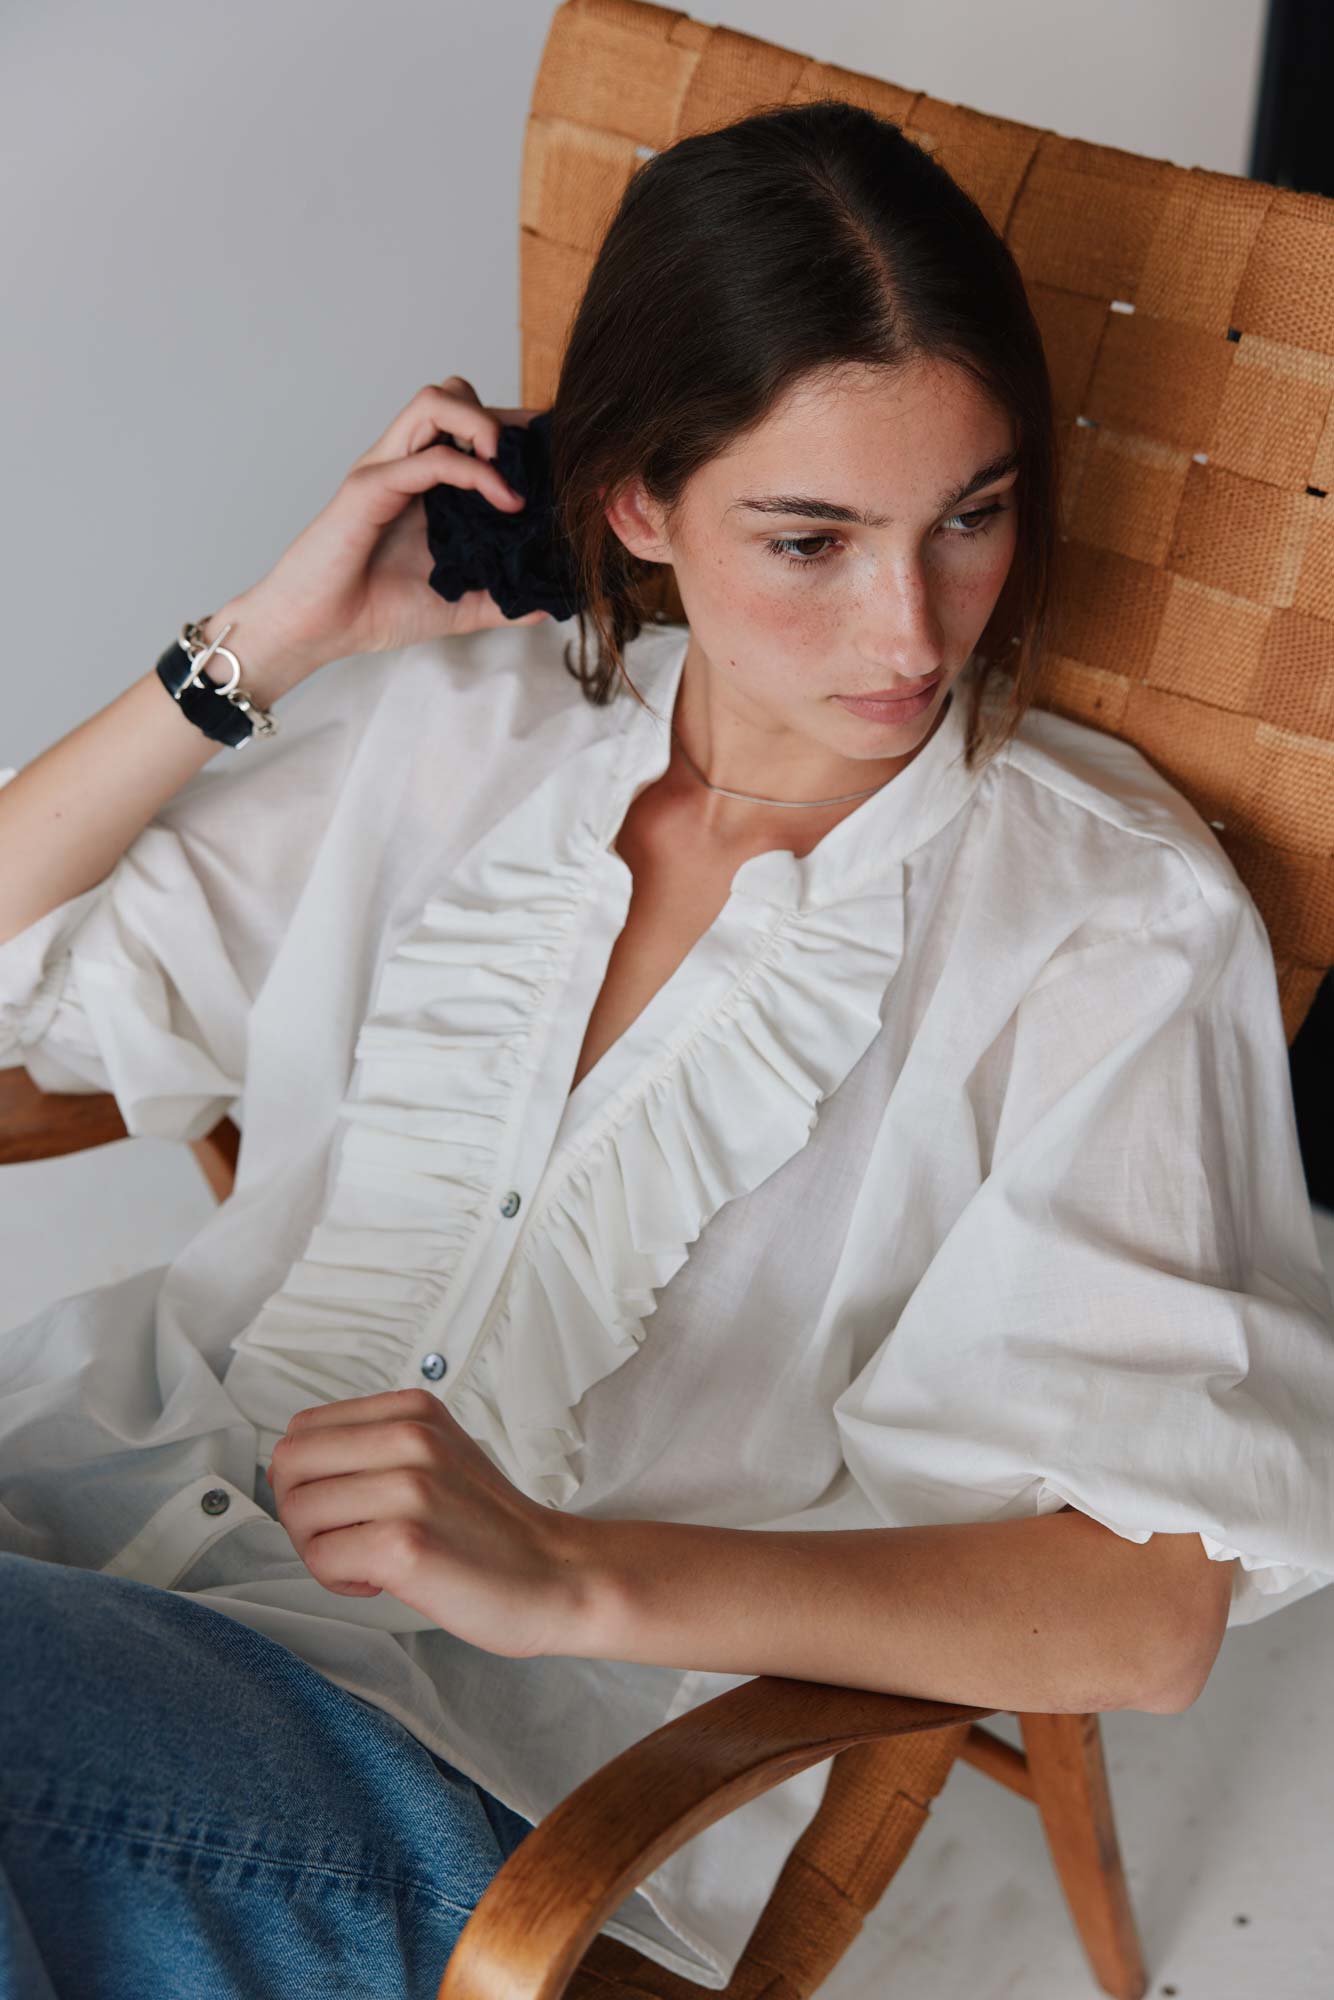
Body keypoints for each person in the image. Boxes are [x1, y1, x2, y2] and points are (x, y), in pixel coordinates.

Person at [2, 97, 1332, 2000]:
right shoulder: (459, 733)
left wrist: (570, 1571)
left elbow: (1144, 1611)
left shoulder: (1098, 916)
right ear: (636, 504)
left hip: (446, 1761)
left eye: (969, 516)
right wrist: (260, 646)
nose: (909, 628)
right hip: (69, 1538)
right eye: (810, 539)